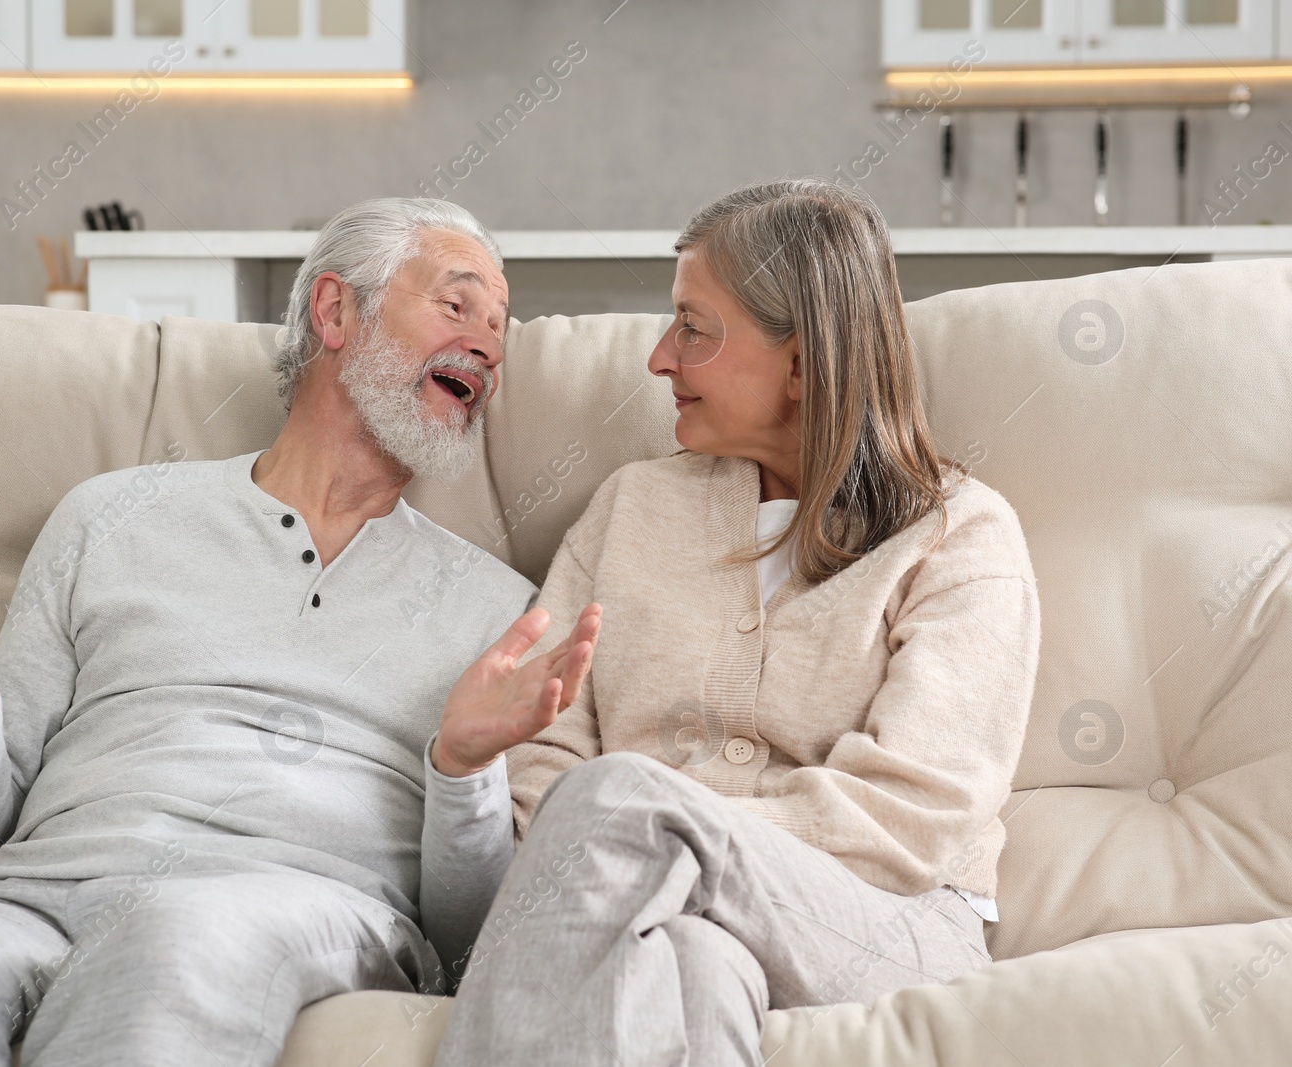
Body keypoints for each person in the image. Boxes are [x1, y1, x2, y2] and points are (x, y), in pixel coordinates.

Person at [0, 197, 600, 1067]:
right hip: (30, 903)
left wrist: (462, 770)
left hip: (278, 908)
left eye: (500, 326)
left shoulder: (500, 611)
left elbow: (466, 939)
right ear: (336, 311)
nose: (489, 345)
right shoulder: (112, 515)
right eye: (458, 306)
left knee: (180, 935)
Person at [424, 178, 1042, 1066]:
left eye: (694, 328)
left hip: (894, 924)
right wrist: (661, 859)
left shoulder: (958, 535)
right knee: (688, 969)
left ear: (803, 361)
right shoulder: (630, 509)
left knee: (621, 800)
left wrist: (673, 826)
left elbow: (912, 813)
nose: (659, 359)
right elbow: (542, 756)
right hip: (660, 908)